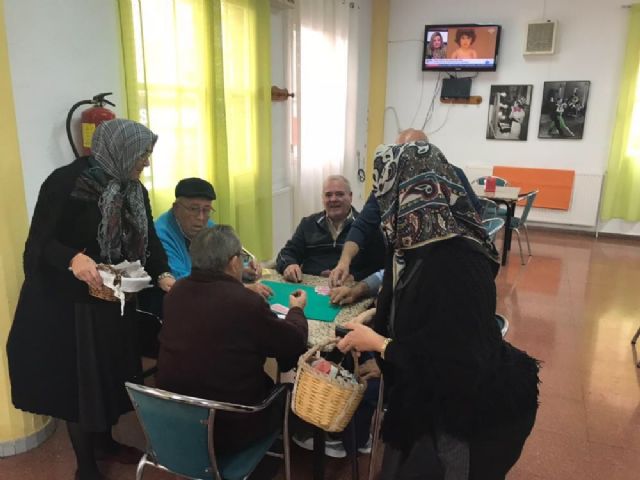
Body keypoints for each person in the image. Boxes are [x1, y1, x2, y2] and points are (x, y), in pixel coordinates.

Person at [336, 141, 540, 479]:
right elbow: (414, 308)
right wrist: (373, 318)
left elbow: (456, 362)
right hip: (426, 394)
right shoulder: (412, 245)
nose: (382, 205)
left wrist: (381, 345)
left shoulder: (458, 262)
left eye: (385, 192)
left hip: (465, 413)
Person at [6, 119, 175, 480]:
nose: (146, 162)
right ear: (120, 150)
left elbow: (149, 240)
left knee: (109, 378)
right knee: (82, 389)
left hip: (112, 299)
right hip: (69, 307)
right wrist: (73, 258)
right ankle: (86, 467)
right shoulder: (65, 183)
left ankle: (106, 443)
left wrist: (163, 274)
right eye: (142, 155)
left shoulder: (133, 189)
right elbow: (40, 243)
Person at [156, 225, 308, 454]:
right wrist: (296, 310)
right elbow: (293, 342)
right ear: (235, 262)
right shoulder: (245, 303)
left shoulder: (175, 293)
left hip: (174, 420)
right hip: (230, 425)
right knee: (294, 393)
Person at [328, 129, 482, 287]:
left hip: (451, 263)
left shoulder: (453, 174)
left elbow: (476, 218)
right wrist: (344, 262)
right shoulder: (388, 181)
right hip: (406, 265)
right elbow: (363, 225)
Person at [155, 177, 270, 297]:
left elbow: (223, 260)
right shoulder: (160, 234)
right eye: (193, 209)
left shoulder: (208, 226)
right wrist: (241, 289)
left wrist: (242, 269)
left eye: (206, 210)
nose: (201, 217)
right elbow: (182, 282)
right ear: (176, 208)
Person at [276, 174, 385, 283]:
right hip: (309, 287)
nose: (333, 199)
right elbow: (286, 254)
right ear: (322, 198)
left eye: (339, 194)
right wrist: (289, 265)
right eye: (328, 195)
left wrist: (354, 277)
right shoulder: (308, 224)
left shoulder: (367, 227)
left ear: (350, 196)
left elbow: (380, 266)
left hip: (351, 287)